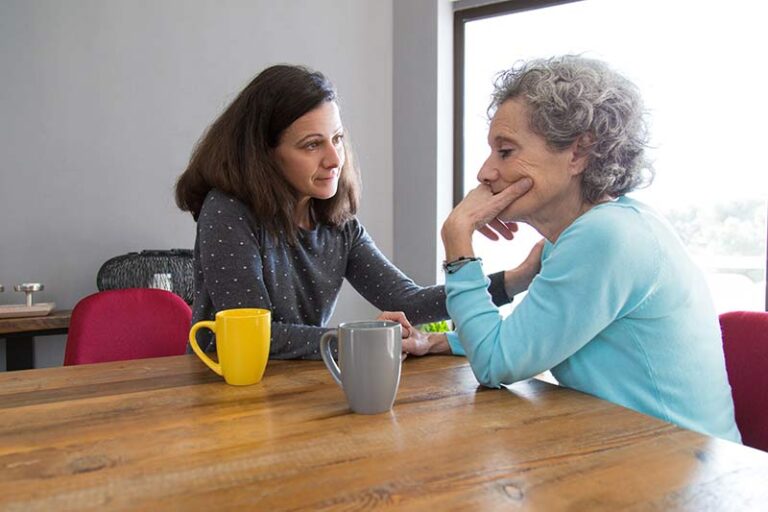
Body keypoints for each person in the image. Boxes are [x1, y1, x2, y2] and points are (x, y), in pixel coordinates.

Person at [404, 55, 740, 442]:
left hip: (681, 470)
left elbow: (496, 362)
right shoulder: (594, 232)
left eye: (506, 151)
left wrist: (458, 236)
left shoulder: (606, 237)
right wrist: (438, 341)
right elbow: (531, 337)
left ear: (579, 153)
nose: (485, 172)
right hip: (635, 452)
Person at [175, 64, 513, 360]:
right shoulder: (227, 211)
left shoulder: (339, 226)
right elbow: (254, 333)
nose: (335, 159)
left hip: (298, 390)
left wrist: (519, 278)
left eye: (336, 139)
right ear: (264, 154)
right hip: (222, 393)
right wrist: (362, 337)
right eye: (312, 144)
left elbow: (407, 301)